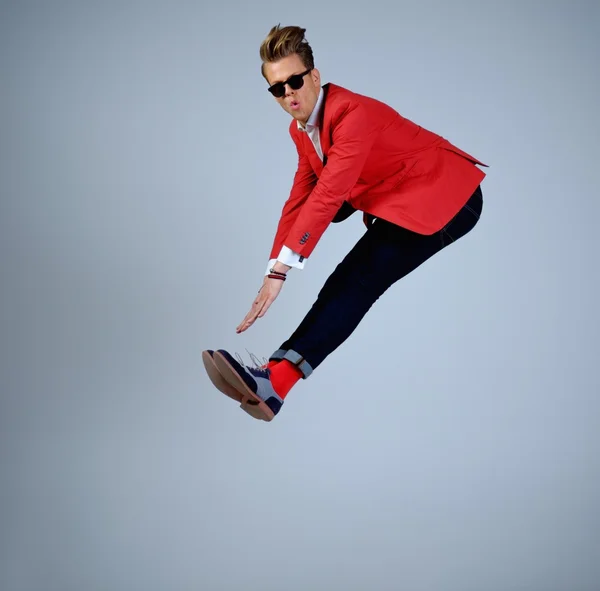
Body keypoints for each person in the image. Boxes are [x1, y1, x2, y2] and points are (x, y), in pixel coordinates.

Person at [202, 24, 488, 422]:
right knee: (349, 280)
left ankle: (274, 382)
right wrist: (272, 270)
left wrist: (283, 271)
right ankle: (275, 384)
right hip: (404, 198)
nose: (288, 95)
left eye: (295, 81)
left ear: (314, 77)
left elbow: (329, 194)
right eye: (277, 89)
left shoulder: (353, 113)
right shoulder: (302, 130)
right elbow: (299, 198)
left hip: (447, 197)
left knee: (357, 279)